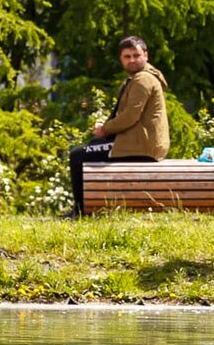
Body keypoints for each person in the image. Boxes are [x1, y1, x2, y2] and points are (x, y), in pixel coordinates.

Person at [67, 36, 169, 217]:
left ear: (146, 55)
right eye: (127, 56)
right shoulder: (140, 78)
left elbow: (130, 116)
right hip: (141, 143)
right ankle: (91, 206)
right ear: (121, 59)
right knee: (91, 147)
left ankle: (81, 211)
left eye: (136, 55)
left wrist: (105, 130)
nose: (132, 60)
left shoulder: (143, 79)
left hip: (140, 146)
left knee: (78, 155)